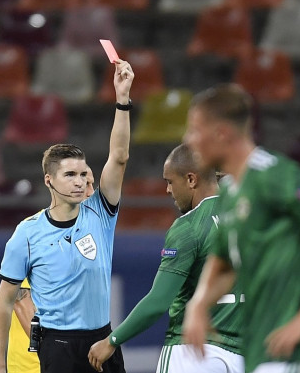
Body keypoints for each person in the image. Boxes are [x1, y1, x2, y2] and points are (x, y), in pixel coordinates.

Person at [180, 83, 300, 373]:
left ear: (221, 133)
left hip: (297, 356)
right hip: (263, 355)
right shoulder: (229, 192)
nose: (187, 140)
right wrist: (198, 305)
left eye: (194, 130)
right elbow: (223, 262)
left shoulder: (273, 173)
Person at [0, 59, 134, 373]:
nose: (80, 180)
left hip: (102, 339)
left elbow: (119, 157)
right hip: (58, 347)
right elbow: (4, 302)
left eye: (84, 173)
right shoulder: (27, 233)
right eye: (70, 174)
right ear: (49, 180)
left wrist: (122, 99)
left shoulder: (99, 211)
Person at [87, 144, 244, 373]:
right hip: (242, 355)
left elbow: (158, 301)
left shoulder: (188, 227)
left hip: (192, 351)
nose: (168, 190)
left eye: (170, 181)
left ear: (191, 179)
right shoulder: (247, 218)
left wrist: (112, 340)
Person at [7, 168, 96, 373]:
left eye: (92, 184)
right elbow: (21, 301)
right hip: (35, 366)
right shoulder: (37, 231)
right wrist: (55, 352)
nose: (91, 192)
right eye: (85, 185)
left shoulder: (87, 236)